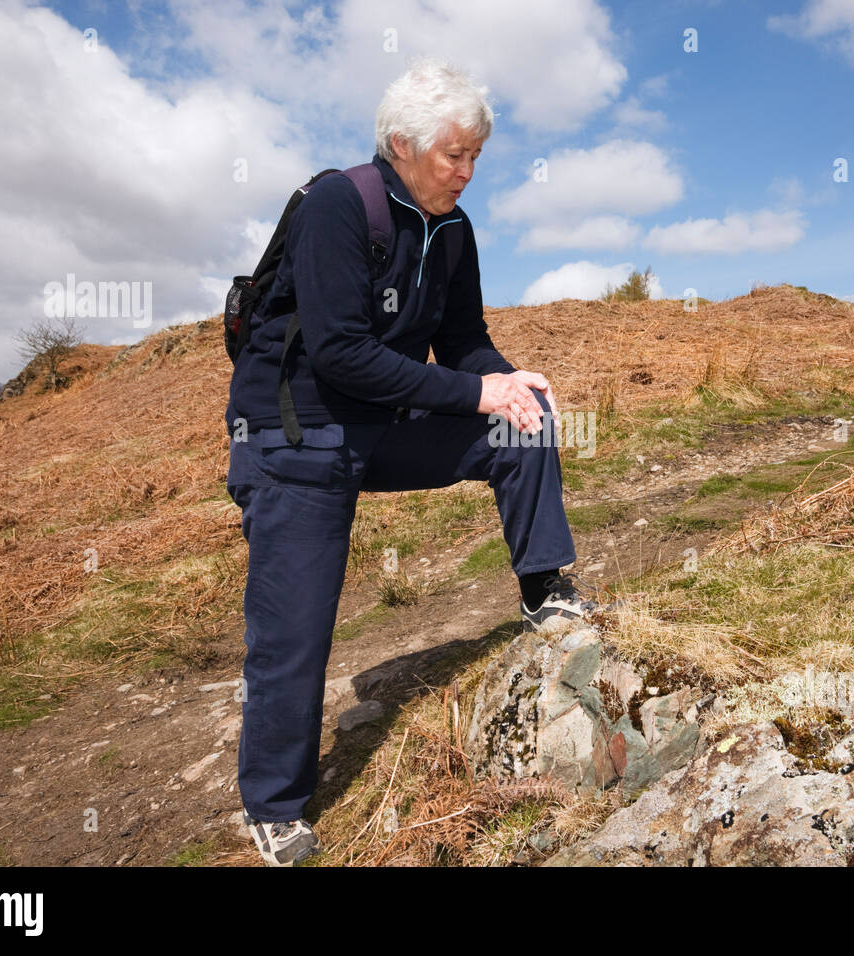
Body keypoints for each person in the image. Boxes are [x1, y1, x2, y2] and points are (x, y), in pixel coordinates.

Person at [224, 58, 597, 866]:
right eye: (453, 155)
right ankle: (275, 804)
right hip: (297, 435)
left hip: (380, 425)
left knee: (523, 425)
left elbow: (460, 341)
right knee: (297, 632)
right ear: (402, 144)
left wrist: (503, 381)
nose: (466, 172)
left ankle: (545, 590)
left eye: (475, 157)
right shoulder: (338, 205)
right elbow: (339, 354)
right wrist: (474, 393)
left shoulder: (454, 229)